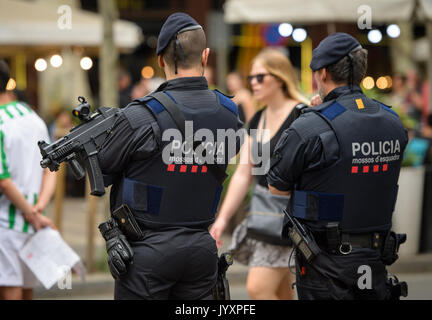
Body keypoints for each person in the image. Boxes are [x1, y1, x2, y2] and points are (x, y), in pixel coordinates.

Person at [97, 12, 242, 300]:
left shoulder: (140, 114)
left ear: (160, 59)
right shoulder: (229, 112)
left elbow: (101, 171)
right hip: (202, 248)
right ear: (205, 56)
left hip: (147, 254)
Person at [267, 33, 409, 300]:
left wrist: (311, 117)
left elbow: (276, 186)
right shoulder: (393, 122)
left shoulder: (310, 127)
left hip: (326, 266)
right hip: (376, 258)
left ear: (322, 73)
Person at [210, 48, 308, 300]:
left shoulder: (303, 114)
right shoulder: (258, 120)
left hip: (295, 217)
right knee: (280, 292)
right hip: (266, 216)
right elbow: (244, 173)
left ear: (279, 77)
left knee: (258, 288)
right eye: (250, 78)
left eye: (260, 77)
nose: (253, 83)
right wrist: (222, 220)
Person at [0, 60, 57, 300]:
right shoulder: (33, 117)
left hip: (6, 222)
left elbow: (3, 180)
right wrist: (38, 208)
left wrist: (30, 213)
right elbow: (51, 168)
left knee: (10, 287)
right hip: (35, 220)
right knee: (26, 288)